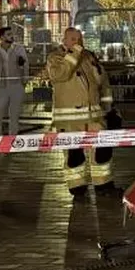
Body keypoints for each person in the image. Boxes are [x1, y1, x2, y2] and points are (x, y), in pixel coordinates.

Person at [46, 27, 114, 198]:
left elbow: (103, 81)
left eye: (79, 38)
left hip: (95, 117)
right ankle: (77, 188)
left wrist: (108, 107)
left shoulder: (89, 57)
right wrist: (74, 53)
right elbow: (59, 75)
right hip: (69, 120)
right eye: (73, 39)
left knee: (102, 153)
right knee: (74, 155)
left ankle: (103, 185)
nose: (78, 42)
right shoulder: (56, 58)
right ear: (64, 40)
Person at [0, 26, 28, 136]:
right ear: (2, 37)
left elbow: (26, 66)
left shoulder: (19, 49)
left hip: (16, 86)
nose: (11, 36)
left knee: (14, 116)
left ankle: (12, 141)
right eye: (8, 34)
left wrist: (24, 81)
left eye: (11, 34)